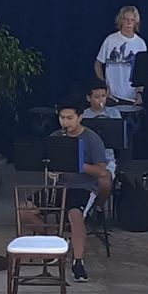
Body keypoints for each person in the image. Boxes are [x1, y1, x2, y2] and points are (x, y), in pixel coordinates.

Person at [50, 102, 112, 281]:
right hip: (60, 186)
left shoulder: (91, 139)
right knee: (27, 210)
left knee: (75, 215)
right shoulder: (55, 137)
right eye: (62, 118)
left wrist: (77, 165)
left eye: (70, 118)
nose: (65, 122)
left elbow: (102, 171)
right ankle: (58, 244)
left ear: (80, 117)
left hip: (83, 186)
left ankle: (78, 261)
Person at [95, 5, 147, 111]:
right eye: (126, 19)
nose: (129, 23)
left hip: (131, 98)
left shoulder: (140, 43)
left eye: (132, 20)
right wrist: (103, 86)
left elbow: (144, 73)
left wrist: (139, 93)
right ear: (121, 20)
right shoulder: (110, 40)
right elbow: (98, 65)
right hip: (111, 97)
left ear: (135, 22)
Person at [79, 83, 123, 179]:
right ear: (88, 98)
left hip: (107, 158)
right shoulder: (83, 115)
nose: (101, 100)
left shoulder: (114, 112)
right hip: (87, 158)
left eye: (103, 96)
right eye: (96, 97)